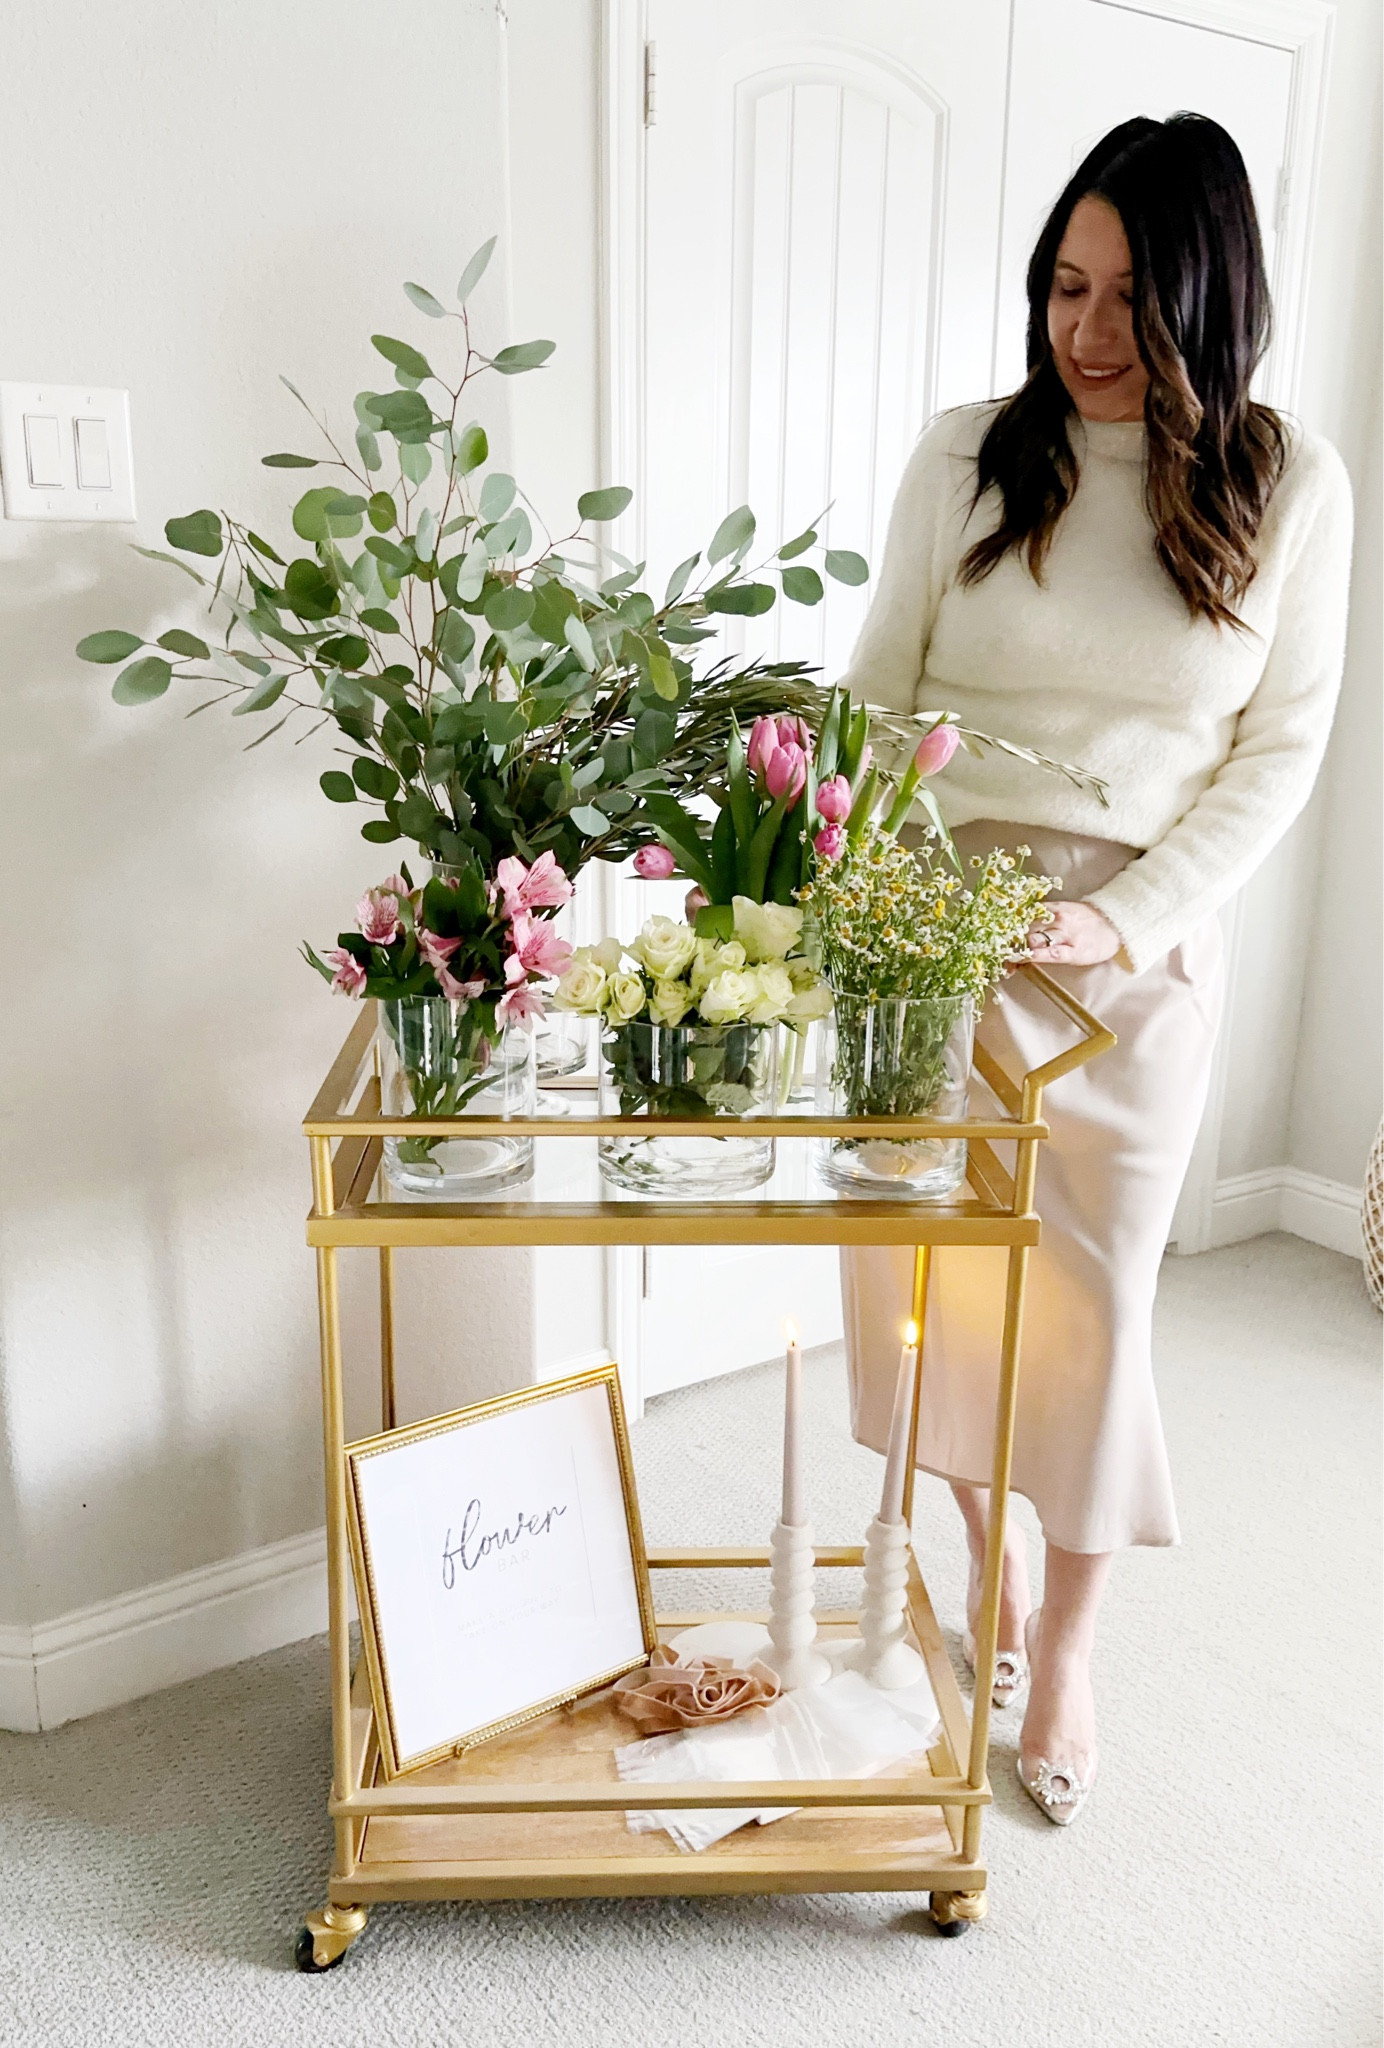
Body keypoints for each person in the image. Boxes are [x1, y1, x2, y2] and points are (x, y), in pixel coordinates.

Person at [837, 114, 1353, 1823]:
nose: (1088, 331)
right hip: (931, 927)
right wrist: (907, 906)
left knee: (1091, 1307)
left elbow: (1276, 762)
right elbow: (871, 702)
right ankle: (976, 1573)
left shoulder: (1291, 486)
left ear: (1214, 300)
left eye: (1133, 296)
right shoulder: (969, 452)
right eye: (1065, 285)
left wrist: (1123, 921)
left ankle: (1065, 1650)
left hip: (1129, 947)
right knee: (946, 1298)